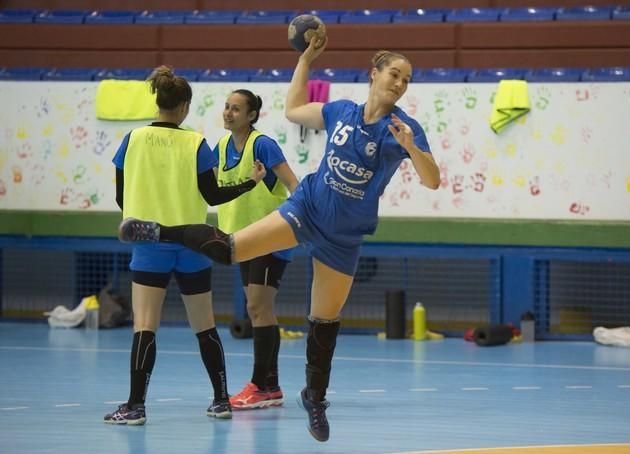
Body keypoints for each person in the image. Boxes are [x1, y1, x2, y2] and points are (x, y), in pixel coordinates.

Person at [117, 38, 440, 441]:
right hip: (305, 210)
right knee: (230, 249)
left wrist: (413, 148)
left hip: (344, 237)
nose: (400, 83)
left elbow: (432, 180)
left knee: (324, 321)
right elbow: (292, 109)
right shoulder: (341, 111)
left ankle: (315, 398)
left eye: (407, 79)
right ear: (374, 74)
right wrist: (305, 60)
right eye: (394, 73)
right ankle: (158, 231)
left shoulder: (403, 130)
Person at [104, 66, 266, 425]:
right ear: (185, 107)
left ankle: (135, 407)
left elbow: (120, 193)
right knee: (205, 326)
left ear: (158, 101)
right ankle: (222, 400)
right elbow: (212, 194)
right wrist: (250, 183)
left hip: (150, 243)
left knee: (145, 325)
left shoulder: (132, 139)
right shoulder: (196, 142)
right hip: (194, 243)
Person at [215, 89, 299, 410]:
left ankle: (260, 385)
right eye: (226, 107)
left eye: (236, 109)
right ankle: (271, 386)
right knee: (258, 310)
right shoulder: (221, 147)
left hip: (270, 235)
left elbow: (293, 184)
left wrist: (300, 222)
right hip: (242, 240)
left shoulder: (261, 144)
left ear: (251, 116)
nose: (228, 113)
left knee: (258, 307)